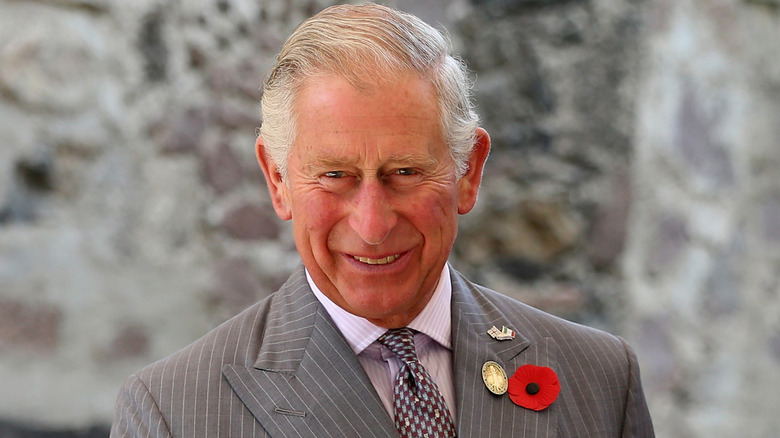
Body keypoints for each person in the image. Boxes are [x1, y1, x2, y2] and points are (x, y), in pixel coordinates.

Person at [111, 3, 654, 437]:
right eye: (335, 176)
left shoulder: (601, 379)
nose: (372, 225)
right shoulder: (175, 413)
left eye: (405, 172)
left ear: (468, 171)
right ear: (277, 180)